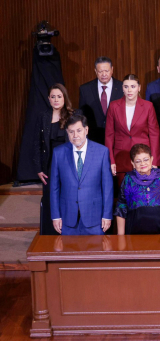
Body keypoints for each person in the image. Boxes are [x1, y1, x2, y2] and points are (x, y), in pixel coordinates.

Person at [50, 114, 113, 235]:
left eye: (79, 130)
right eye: (71, 132)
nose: (75, 136)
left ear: (86, 130)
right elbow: (54, 188)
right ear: (67, 133)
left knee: (95, 252)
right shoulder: (58, 153)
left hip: (95, 218)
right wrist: (56, 216)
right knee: (68, 252)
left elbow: (107, 187)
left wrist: (107, 215)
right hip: (67, 218)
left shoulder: (102, 152)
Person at [115, 144, 160, 235]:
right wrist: (121, 237)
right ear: (133, 163)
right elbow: (121, 207)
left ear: (152, 159)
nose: (143, 164)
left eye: (146, 159)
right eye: (138, 161)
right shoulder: (128, 179)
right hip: (134, 235)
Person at [105, 74, 160, 188]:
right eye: (126, 86)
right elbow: (109, 135)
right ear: (122, 88)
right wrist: (111, 160)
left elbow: (154, 135)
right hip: (121, 157)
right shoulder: (114, 106)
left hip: (143, 159)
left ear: (139, 88)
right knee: (125, 195)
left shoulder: (148, 106)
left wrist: (154, 161)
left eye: (133, 86)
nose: (129, 90)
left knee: (144, 194)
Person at [37, 84, 78, 236]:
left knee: (69, 196)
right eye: (53, 96)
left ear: (64, 98)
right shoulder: (43, 116)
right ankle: (50, 235)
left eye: (59, 96)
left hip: (70, 164)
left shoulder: (74, 115)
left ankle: (69, 231)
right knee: (50, 198)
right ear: (48, 99)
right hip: (49, 165)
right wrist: (39, 168)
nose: (56, 99)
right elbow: (37, 142)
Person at [78, 56, 122, 144]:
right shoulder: (85, 89)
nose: (104, 74)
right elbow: (81, 116)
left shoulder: (122, 87)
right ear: (95, 71)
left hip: (118, 137)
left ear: (112, 70)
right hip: (93, 139)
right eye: (100, 71)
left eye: (107, 71)